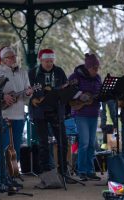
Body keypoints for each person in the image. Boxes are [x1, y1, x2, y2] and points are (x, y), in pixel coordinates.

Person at [28, 48, 71, 181]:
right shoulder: (33, 73)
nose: (49, 64)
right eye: (46, 61)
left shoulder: (59, 72)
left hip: (56, 111)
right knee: (43, 143)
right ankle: (46, 173)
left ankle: (63, 171)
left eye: (51, 61)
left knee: (62, 141)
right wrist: (32, 99)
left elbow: (66, 89)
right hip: (39, 112)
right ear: (41, 60)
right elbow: (26, 90)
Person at [0, 46, 33, 188]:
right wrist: (4, 96)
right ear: (3, 60)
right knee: (3, 148)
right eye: (9, 57)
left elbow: (27, 92)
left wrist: (29, 93)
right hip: (4, 115)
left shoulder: (23, 73)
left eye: (13, 56)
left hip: (19, 115)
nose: (12, 59)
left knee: (15, 149)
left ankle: (11, 177)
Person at [68, 53, 102, 181]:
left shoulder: (98, 78)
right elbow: (69, 92)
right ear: (87, 68)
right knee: (84, 143)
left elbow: (99, 92)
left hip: (94, 113)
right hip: (81, 113)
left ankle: (90, 170)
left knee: (92, 144)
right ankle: (81, 170)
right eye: (94, 68)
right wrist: (80, 96)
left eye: (97, 68)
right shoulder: (75, 77)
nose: (96, 71)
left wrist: (100, 95)